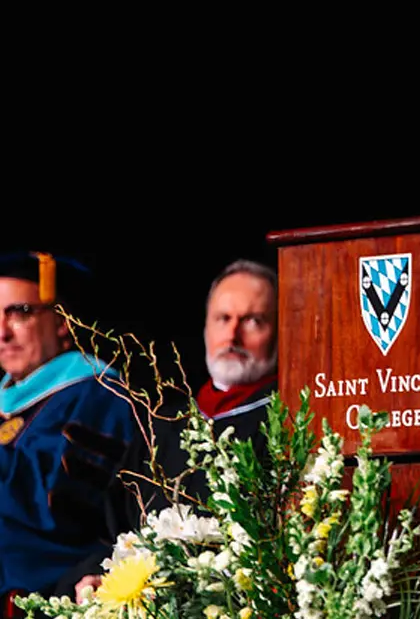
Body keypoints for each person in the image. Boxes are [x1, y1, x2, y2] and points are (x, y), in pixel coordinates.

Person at [64, 258, 280, 601]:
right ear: (206, 328)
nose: (233, 334)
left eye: (253, 320)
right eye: (223, 318)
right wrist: (94, 573)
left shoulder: (285, 423)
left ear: (281, 331)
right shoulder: (163, 425)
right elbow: (112, 531)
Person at [0, 252, 137, 613]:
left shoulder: (97, 394)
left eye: (20, 312)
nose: (2, 331)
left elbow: (55, 510)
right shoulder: (7, 400)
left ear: (61, 320)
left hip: (48, 594)